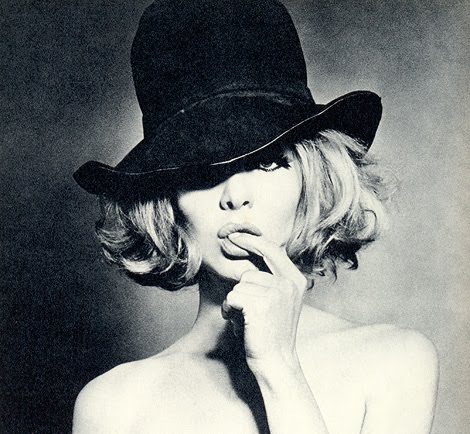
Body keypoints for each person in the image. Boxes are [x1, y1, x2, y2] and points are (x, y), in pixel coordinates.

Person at [72, 0, 438, 432]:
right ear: (165, 199)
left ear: (311, 178)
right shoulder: (112, 407)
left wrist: (278, 367)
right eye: (203, 171)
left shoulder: (394, 363)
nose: (236, 197)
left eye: (267, 162)